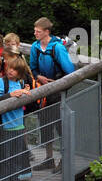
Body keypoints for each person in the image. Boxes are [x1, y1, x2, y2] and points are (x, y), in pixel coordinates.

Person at [27, 16, 76, 170]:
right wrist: (38, 77)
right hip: (42, 90)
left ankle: (64, 158)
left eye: (38, 31)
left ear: (46, 32)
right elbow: (32, 68)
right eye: (35, 31)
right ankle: (49, 158)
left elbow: (69, 70)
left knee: (59, 124)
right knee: (45, 122)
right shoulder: (35, 47)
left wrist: (57, 83)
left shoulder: (57, 47)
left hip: (57, 90)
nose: (35, 33)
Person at [0, 58, 33, 181]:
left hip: (19, 125)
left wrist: (25, 92)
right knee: (5, 157)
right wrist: (11, 95)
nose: (10, 71)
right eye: (9, 67)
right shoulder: (1, 82)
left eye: (14, 69)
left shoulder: (21, 82)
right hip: (4, 126)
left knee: (16, 157)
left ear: (20, 72)